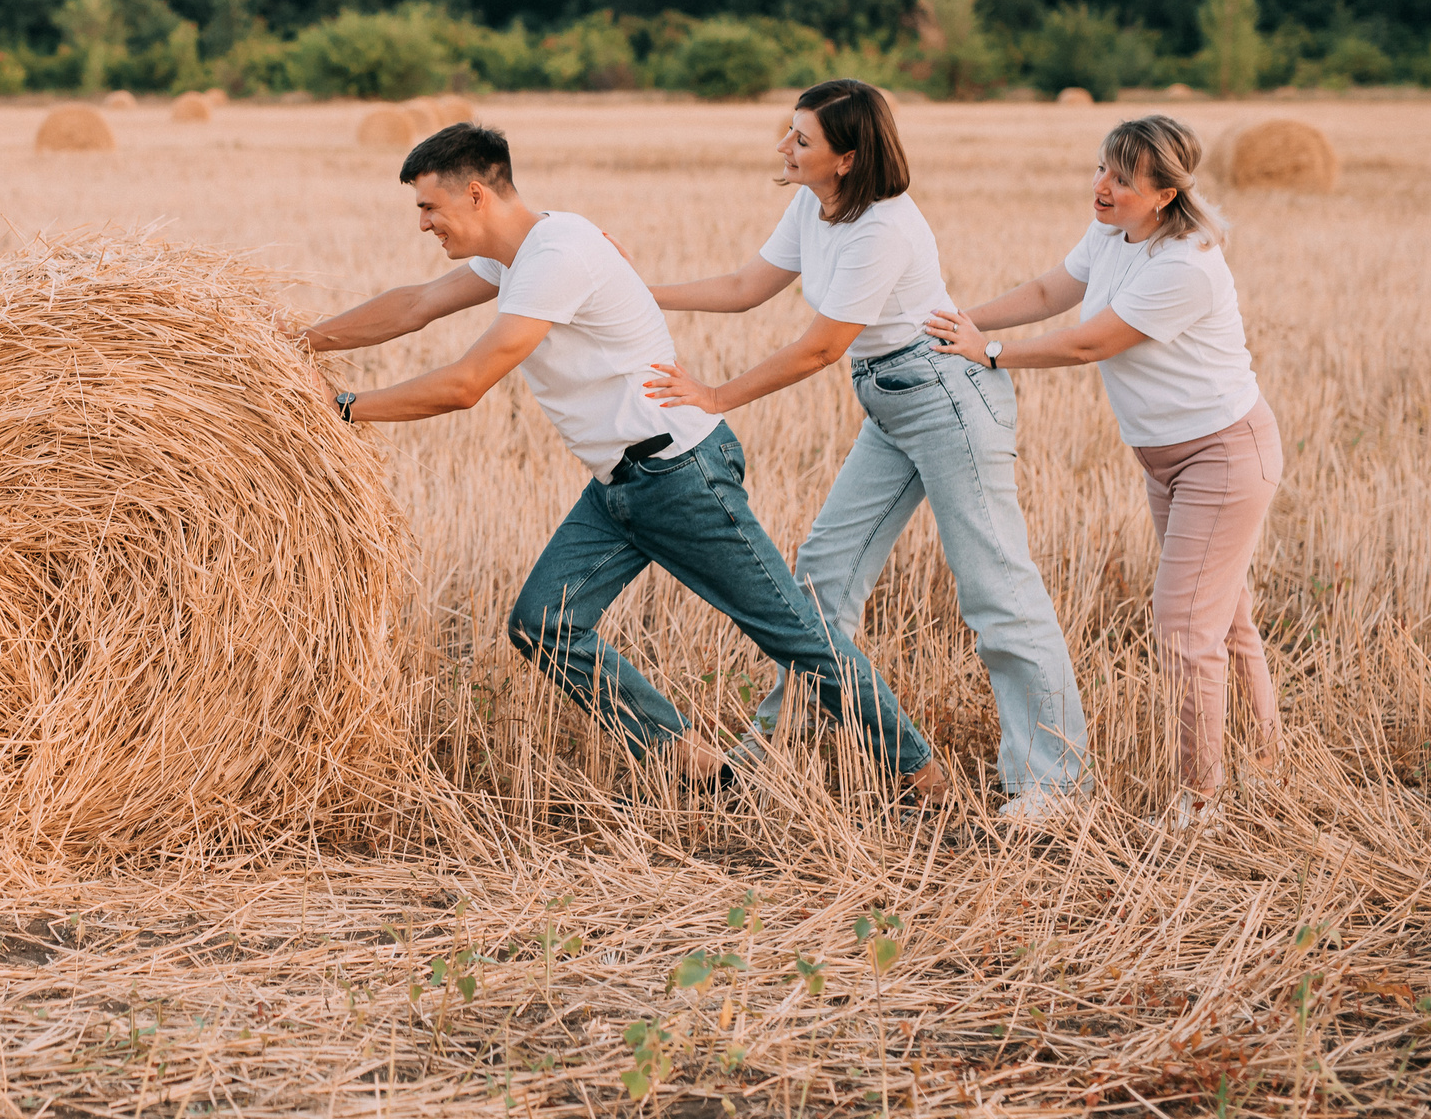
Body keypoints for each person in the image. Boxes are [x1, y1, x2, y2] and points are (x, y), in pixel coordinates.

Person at [297, 122, 949, 804]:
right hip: (621, 485)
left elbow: (466, 385)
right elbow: (418, 304)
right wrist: (297, 343)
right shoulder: (518, 252)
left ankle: (920, 773)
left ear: (478, 194)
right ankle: (690, 761)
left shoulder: (558, 255)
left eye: (431, 208)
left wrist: (343, 406)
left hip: (680, 474)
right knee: (544, 625)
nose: (424, 223)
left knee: (793, 634)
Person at [642, 79, 1087, 822]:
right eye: (789, 134)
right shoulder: (813, 205)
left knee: (996, 591)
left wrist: (717, 396)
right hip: (890, 397)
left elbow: (820, 347)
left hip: (944, 399)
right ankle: (772, 750)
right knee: (820, 579)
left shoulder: (882, 228)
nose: (785, 148)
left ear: (846, 158)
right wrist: (635, 290)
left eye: (802, 140)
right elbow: (746, 285)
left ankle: (1056, 785)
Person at [928, 116, 1275, 830]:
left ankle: (1201, 802)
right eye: (1100, 169)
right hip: (1166, 458)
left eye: (1121, 178)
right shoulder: (1115, 234)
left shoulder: (1185, 264)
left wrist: (986, 351)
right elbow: (1050, 290)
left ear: (1165, 193)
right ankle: (1267, 766)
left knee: (1183, 629)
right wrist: (958, 320)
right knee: (1225, 621)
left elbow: (1090, 342)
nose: (1102, 187)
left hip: (1223, 456)